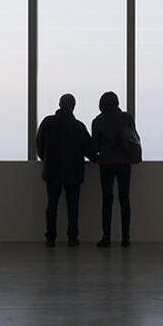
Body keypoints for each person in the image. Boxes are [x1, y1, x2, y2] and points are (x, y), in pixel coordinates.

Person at [36, 94, 95, 248]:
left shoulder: (48, 122)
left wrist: (47, 160)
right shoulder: (78, 126)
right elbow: (89, 149)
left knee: (52, 205)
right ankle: (72, 238)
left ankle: (50, 238)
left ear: (59, 104)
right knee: (73, 206)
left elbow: (39, 145)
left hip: (52, 170)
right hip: (73, 172)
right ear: (73, 106)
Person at [91, 91, 140, 248]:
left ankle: (106, 237)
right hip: (124, 162)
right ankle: (126, 237)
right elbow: (133, 137)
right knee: (124, 199)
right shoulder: (126, 118)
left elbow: (95, 146)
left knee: (107, 199)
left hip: (106, 163)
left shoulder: (98, 121)